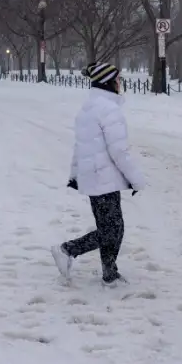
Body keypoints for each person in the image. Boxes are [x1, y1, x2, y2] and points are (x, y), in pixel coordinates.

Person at [50, 62, 146, 287]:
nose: (120, 83)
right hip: (104, 178)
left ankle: (109, 274)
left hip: (95, 176)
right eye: (117, 79)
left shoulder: (88, 108)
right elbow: (119, 151)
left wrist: (75, 174)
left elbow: (79, 147)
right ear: (108, 82)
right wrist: (136, 179)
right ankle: (67, 250)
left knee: (113, 228)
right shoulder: (109, 110)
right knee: (111, 230)